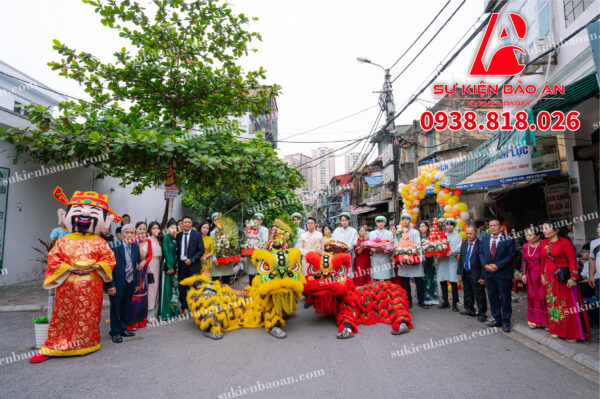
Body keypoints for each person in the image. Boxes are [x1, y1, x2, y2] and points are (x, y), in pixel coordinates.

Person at [30, 187, 119, 363]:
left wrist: (94, 266)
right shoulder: (64, 241)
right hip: (68, 287)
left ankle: (88, 344)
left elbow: (109, 260)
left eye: (93, 212)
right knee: (63, 317)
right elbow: (53, 260)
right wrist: (69, 269)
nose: (85, 214)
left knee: (89, 317)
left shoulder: (100, 242)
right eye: (78, 210)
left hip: (91, 288)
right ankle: (54, 346)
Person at [540, 221, 590, 342]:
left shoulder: (566, 243)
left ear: (556, 230)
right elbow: (543, 260)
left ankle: (572, 333)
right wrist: (542, 274)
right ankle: (556, 330)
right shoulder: (544, 243)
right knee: (553, 304)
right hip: (550, 279)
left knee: (567, 305)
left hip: (564, 279)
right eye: (543, 228)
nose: (544, 231)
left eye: (547, 228)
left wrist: (573, 278)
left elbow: (572, 262)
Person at [479, 218, 516, 332]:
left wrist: (497, 265)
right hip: (488, 273)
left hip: (503, 273)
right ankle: (497, 319)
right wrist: (485, 265)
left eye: (495, 226)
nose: (493, 228)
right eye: (490, 226)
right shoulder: (485, 239)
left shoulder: (508, 239)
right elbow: (481, 253)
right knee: (492, 297)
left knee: (505, 297)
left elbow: (511, 256)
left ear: (501, 227)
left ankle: (506, 321)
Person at [107, 224, 140, 343]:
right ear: (121, 235)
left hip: (130, 281)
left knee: (126, 306)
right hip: (117, 282)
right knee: (116, 307)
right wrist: (110, 285)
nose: (129, 235)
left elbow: (136, 266)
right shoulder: (114, 247)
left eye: (132, 233)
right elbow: (108, 268)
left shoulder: (136, 247)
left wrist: (136, 283)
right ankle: (115, 332)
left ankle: (123, 328)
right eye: (127, 233)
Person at [396, 214, 427, 309]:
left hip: (414, 257)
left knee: (419, 280)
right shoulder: (399, 232)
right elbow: (396, 243)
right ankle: (408, 301)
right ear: (402, 221)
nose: (405, 221)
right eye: (404, 219)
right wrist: (400, 251)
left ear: (410, 221)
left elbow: (418, 244)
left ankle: (421, 301)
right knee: (405, 280)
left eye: (407, 219)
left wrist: (416, 255)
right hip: (403, 259)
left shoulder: (415, 232)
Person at [458, 226, 487, 322]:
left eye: (470, 233)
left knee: (479, 294)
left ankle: (482, 313)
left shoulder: (481, 245)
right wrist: (459, 272)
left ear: (476, 234)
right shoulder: (464, 243)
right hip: (466, 272)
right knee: (467, 293)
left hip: (477, 273)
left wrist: (483, 276)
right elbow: (461, 259)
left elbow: (484, 262)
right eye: (467, 233)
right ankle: (470, 310)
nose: (468, 235)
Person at [520, 227, 548, 329]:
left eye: (530, 235)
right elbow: (524, 260)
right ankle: (533, 320)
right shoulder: (525, 246)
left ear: (538, 236)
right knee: (532, 297)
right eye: (526, 235)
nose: (527, 237)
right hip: (530, 275)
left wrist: (545, 274)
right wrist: (523, 273)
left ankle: (546, 321)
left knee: (543, 297)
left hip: (542, 275)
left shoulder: (543, 245)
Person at [177, 215, 205, 313]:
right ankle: (184, 307)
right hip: (182, 265)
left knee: (194, 287)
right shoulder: (178, 235)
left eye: (189, 222)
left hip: (193, 265)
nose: (187, 224)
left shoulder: (197, 235)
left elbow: (201, 250)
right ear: (182, 224)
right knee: (182, 287)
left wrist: (192, 259)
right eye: (185, 222)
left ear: (191, 223)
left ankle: (194, 307)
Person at [128, 221, 152, 330]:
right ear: (136, 230)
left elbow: (150, 255)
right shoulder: (131, 241)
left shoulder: (148, 241)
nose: (142, 231)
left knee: (143, 296)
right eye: (140, 229)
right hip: (133, 271)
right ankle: (131, 322)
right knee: (133, 296)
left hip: (143, 271)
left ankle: (141, 321)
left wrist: (144, 262)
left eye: (144, 229)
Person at [436, 218, 462, 311]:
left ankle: (455, 304)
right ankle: (445, 301)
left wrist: (453, 252)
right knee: (443, 281)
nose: (449, 226)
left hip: (452, 261)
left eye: (451, 225)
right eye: (447, 224)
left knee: (453, 282)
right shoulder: (441, 235)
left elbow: (459, 248)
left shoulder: (457, 236)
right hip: (442, 260)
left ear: (454, 226)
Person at [158, 220, 179, 321]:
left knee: (173, 289)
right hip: (167, 266)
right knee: (166, 289)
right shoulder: (166, 237)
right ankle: (165, 313)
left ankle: (173, 311)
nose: (173, 229)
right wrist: (170, 267)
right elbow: (165, 252)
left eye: (175, 227)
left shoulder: (174, 238)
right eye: (171, 227)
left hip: (174, 266)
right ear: (167, 228)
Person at [246, 213, 269, 285]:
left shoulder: (264, 229)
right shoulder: (249, 228)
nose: (258, 221)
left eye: (259, 219)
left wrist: (258, 241)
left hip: (260, 256)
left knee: (260, 274)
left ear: (262, 221)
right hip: (251, 254)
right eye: (256, 219)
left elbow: (264, 241)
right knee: (251, 275)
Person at [419, 221, 439, 306]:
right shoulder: (417, 237)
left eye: (424, 226)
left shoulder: (431, 237)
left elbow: (436, 248)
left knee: (430, 279)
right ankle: (422, 298)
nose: (422, 228)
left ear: (427, 227)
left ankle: (432, 298)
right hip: (420, 261)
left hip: (430, 260)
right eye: (420, 226)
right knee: (421, 279)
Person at [369, 216, 394, 281]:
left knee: (387, 278)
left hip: (386, 257)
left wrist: (388, 249)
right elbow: (370, 245)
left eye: (382, 222)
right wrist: (371, 249)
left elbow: (391, 245)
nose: (380, 224)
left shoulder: (389, 233)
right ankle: (376, 290)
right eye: (378, 222)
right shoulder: (372, 233)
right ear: (376, 223)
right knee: (376, 278)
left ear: (385, 223)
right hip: (376, 258)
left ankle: (386, 290)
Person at [146, 221, 162, 323]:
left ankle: (155, 312)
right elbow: (145, 255)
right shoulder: (148, 240)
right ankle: (148, 314)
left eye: (157, 228)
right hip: (150, 265)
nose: (156, 230)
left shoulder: (158, 240)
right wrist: (148, 267)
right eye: (153, 228)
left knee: (156, 289)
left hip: (158, 264)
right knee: (151, 288)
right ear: (150, 230)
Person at [588, 222, 599, 300]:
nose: (598, 229)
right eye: (598, 227)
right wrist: (591, 276)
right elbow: (592, 259)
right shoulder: (594, 243)